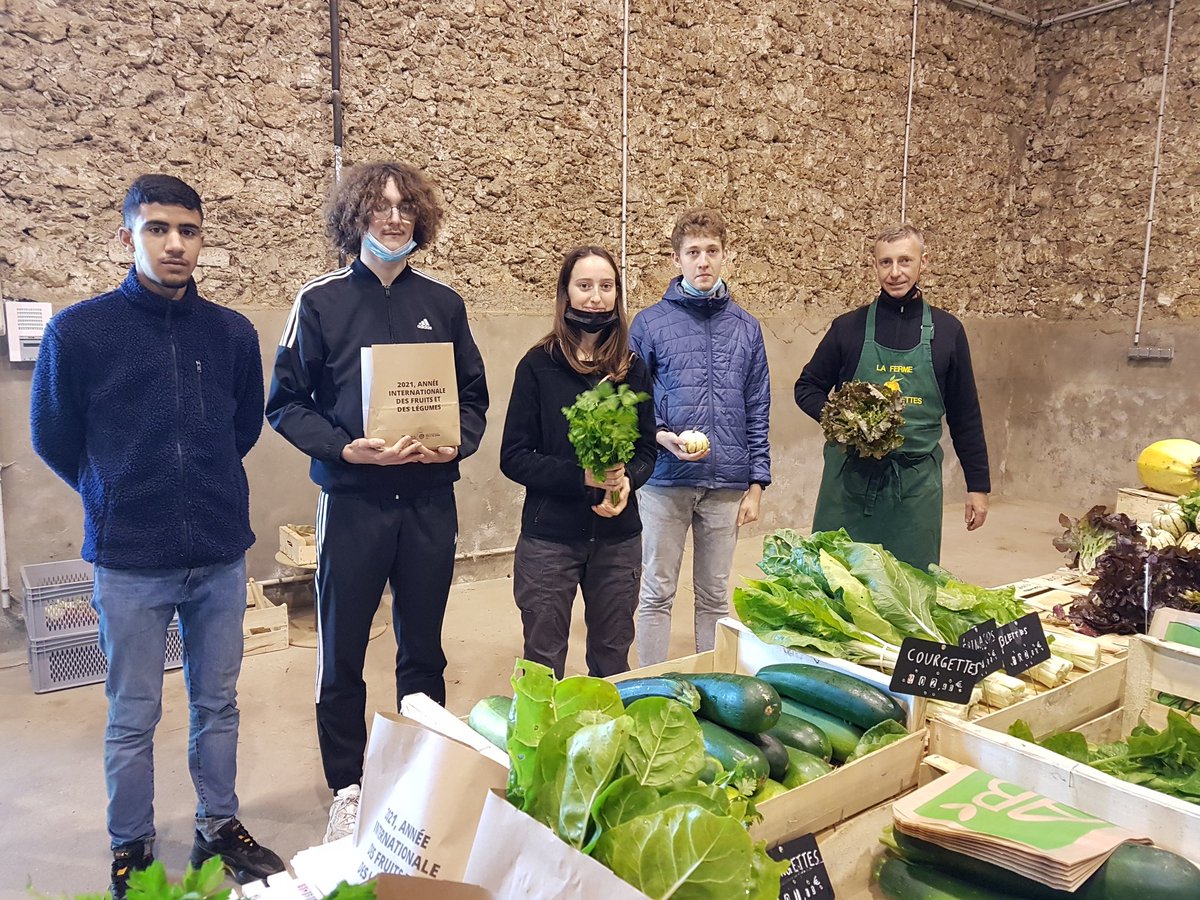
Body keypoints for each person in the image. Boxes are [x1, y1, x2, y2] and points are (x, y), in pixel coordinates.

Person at [29, 174, 284, 897]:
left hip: (218, 554)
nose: (175, 244)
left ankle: (219, 823)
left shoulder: (230, 333)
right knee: (133, 714)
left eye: (188, 230)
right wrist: (109, 491)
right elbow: (52, 436)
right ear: (128, 238)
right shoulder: (80, 332)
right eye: (157, 229)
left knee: (218, 703)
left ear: (202, 239)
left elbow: (241, 428)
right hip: (130, 560)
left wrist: (202, 482)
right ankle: (131, 846)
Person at [266, 161, 488, 844]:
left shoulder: (444, 304)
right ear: (355, 217)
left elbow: (473, 399)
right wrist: (345, 449)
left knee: (423, 649)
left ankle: (421, 779)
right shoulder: (319, 301)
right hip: (353, 503)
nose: (394, 218)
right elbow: (285, 404)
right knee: (341, 653)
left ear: (421, 218)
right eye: (380, 206)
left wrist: (454, 444)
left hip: (428, 504)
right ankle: (349, 787)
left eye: (405, 207)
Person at [794, 222, 990, 571]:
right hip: (849, 482)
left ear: (923, 262)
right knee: (838, 580)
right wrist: (844, 420)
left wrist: (978, 486)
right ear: (875, 265)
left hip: (915, 488)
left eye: (905, 261)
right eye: (886, 262)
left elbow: (965, 415)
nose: (895, 272)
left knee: (909, 584)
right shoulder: (848, 328)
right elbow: (806, 387)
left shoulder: (947, 332)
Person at [499, 246, 657, 678]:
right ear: (566, 293)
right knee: (543, 660)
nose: (596, 297)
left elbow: (647, 450)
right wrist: (581, 476)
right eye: (584, 285)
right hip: (550, 539)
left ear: (617, 295)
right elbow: (514, 457)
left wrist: (628, 481)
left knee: (612, 658)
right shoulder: (538, 365)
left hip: (618, 539)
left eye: (606, 286)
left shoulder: (631, 368)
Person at [629, 208, 772, 666]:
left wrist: (756, 483)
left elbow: (758, 407)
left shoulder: (747, 328)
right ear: (677, 259)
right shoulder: (650, 324)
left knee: (714, 594)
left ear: (725, 255)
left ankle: (712, 683)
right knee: (656, 591)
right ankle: (653, 685)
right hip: (664, 480)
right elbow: (632, 400)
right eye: (693, 252)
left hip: (726, 483)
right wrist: (660, 437)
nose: (703, 261)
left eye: (712, 251)